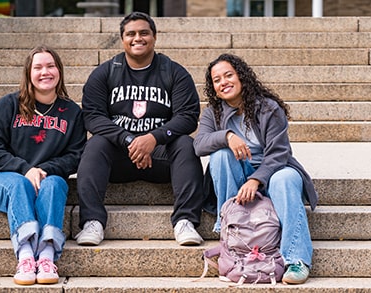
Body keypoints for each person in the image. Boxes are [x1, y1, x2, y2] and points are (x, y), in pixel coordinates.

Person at [74, 11, 205, 247]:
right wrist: (127, 139)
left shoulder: (174, 72)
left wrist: (153, 138)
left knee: (186, 144)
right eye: (131, 33)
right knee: (95, 144)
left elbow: (187, 116)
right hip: (119, 158)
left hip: (160, 158)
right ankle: (92, 221)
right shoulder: (105, 73)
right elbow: (92, 117)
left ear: (154, 37)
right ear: (122, 39)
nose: (138, 38)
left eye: (144, 33)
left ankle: (185, 221)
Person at [193, 53, 318, 285]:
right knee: (220, 155)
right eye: (217, 80)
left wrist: (256, 179)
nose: (224, 82)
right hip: (237, 178)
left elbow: (279, 152)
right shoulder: (213, 113)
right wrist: (227, 136)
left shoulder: (268, 108)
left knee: (286, 178)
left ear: (241, 77)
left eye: (228, 75)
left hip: (274, 173)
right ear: (214, 88)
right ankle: (229, 232)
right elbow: (199, 145)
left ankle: (297, 259)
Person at [0, 45, 87, 285]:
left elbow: (76, 155)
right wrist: (25, 169)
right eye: (38, 67)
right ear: (28, 73)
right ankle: (26, 256)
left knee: (54, 185)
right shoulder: (10, 104)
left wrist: (45, 169)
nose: (45, 72)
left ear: (59, 71)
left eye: (50, 66)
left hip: (48, 178)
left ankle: (48, 256)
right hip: (2, 179)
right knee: (20, 184)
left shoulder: (71, 112)